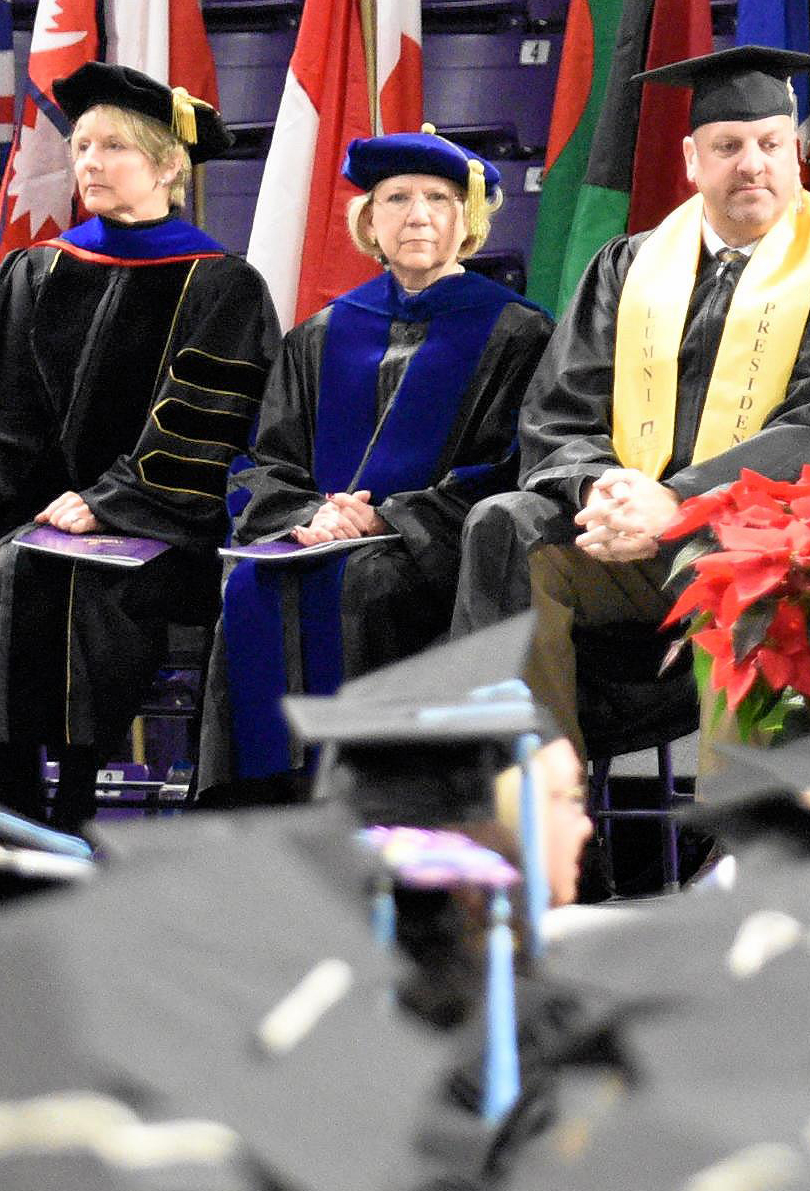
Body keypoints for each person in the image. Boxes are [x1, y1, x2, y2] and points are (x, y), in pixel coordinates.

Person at [458, 43, 810, 758]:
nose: (752, 164)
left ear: (796, 152)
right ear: (691, 160)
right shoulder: (628, 264)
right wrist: (602, 487)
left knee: (754, 558)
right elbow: (559, 409)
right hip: (625, 544)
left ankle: (742, 846)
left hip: (770, 536)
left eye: (770, 144)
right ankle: (536, 828)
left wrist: (682, 500)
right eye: (727, 145)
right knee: (504, 527)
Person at [0, 62, 277, 822]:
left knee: (44, 571)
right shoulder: (36, 270)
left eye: (114, 148)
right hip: (38, 516)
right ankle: (1, 809)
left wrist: (115, 499)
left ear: (169, 164)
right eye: (81, 148)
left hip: (161, 526)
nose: (90, 165)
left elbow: (212, 425)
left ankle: (71, 808)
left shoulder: (221, 285)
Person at [201, 130, 551, 800]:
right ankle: (262, 816)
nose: (417, 214)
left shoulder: (516, 332)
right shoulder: (322, 333)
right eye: (396, 198)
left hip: (434, 560)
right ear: (370, 220)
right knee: (249, 588)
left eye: (439, 199)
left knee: (367, 582)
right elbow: (265, 460)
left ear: (466, 220)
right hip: (318, 541)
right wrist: (314, 514)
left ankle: (368, 807)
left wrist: (384, 517)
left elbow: (513, 465)